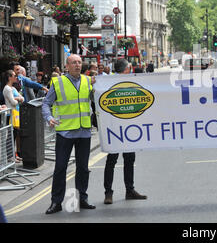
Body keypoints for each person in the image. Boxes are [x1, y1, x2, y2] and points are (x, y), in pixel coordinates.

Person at [42, 54, 96, 214]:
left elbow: (95, 99)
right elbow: (46, 103)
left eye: (79, 62)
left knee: (83, 168)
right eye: (73, 63)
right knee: (60, 168)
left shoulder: (88, 81)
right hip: (65, 132)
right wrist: (49, 117)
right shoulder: (58, 82)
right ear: (67, 66)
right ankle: (56, 202)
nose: (77, 65)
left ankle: (83, 198)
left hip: (84, 131)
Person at [103, 58, 147, 204]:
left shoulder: (132, 82)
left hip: (129, 128)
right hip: (114, 128)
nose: (131, 69)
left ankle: (130, 190)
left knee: (129, 160)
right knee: (112, 161)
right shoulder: (107, 82)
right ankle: (108, 193)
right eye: (130, 67)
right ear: (126, 69)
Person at [2, 70, 24, 162]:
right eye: (14, 75)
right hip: (10, 114)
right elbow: (13, 102)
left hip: (16, 114)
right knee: (11, 135)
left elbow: (23, 99)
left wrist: (16, 98)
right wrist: (17, 99)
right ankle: (10, 156)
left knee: (15, 134)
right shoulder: (7, 88)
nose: (16, 77)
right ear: (9, 77)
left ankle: (14, 155)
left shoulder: (13, 89)